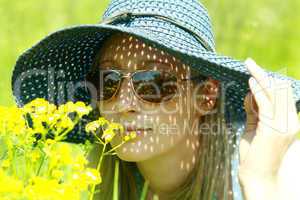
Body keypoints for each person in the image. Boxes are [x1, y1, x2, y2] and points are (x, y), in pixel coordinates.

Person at [11, 0, 300, 199]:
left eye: (153, 83)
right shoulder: (99, 177)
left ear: (206, 96)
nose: (124, 104)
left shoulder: (283, 167)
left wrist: (259, 181)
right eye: (108, 82)